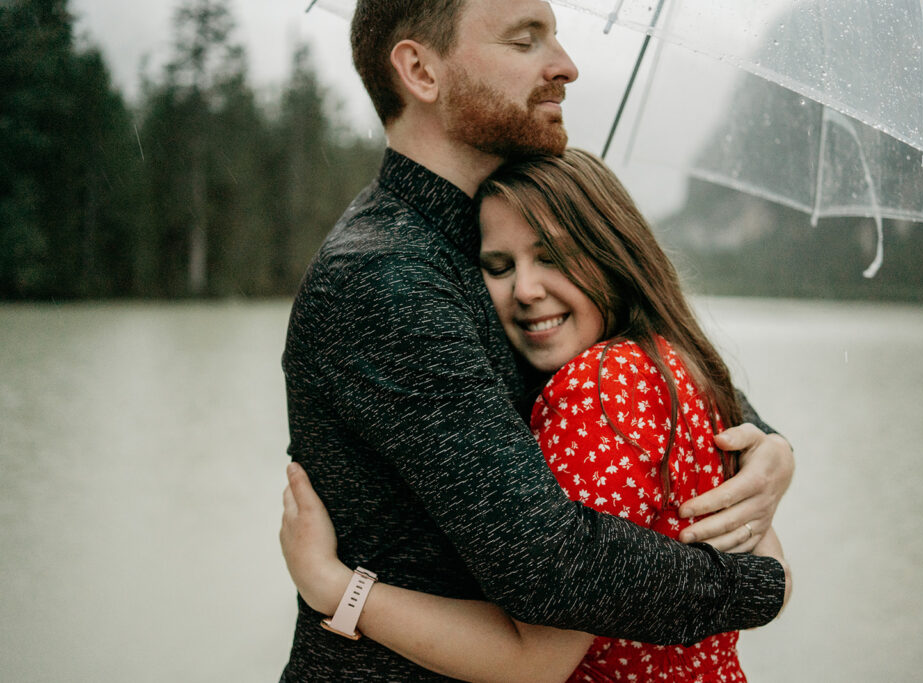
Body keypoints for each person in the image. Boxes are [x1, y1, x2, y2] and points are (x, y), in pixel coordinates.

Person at [280, 1, 793, 679]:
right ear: (419, 71)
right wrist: (760, 583)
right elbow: (549, 566)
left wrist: (764, 442)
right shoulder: (385, 273)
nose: (566, 66)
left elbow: (641, 353)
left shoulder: (482, 234)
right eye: (526, 41)